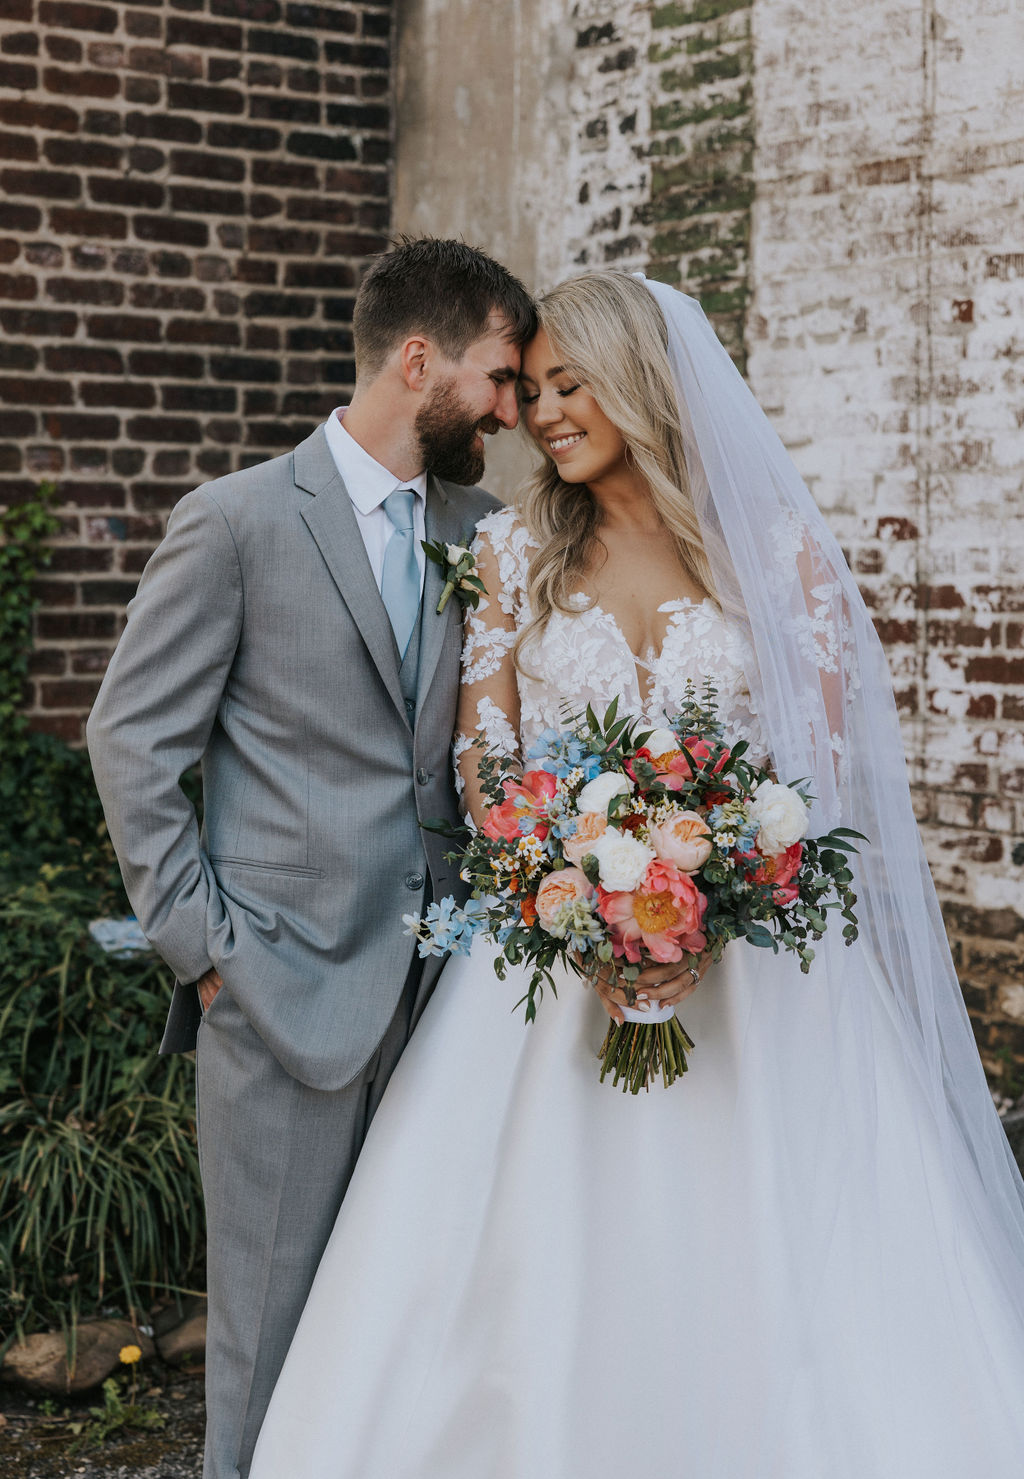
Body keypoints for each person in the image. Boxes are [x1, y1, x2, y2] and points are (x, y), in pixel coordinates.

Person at [247, 269, 1024, 1478]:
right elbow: (487, 766)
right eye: (530, 387)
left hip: (757, 978)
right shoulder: (510, 553)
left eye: (568, 385)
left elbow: (813, 779)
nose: (541, 413)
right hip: (556, 969)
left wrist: (719, 899)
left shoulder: (774, 556)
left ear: (639, 387)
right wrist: (579, 907)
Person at [86, 237, 537, 1479]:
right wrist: (204, 952)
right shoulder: (232, 523)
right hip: (279, 993)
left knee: (405, 1331)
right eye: (497, 379)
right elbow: (131, 742)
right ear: (416, 361)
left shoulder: (483, 531)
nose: (512, 408)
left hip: (445, 1000)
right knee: (270, 1339)